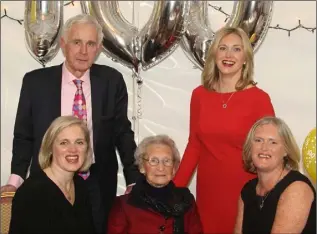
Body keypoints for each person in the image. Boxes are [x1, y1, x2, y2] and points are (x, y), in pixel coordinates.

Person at [1, 14, 140, 233]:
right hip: (49, 179)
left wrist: (133, 178)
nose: (83, 51)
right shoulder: (36, 82)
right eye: (77, 42)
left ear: (99, 48)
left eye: (91, 44)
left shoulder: (112, 81)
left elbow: (122, 133)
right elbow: (24, 135)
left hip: (97, 181)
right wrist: (16, 179)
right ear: (64, 44)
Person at [173, 27, 275, 233]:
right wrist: (175, 189)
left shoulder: (259, 99)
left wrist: (270, 193)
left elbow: (272, 150)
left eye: (236, 49)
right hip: (209, 192)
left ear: (245, 58)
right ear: (214, 55)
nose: (228, 55)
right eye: (223, 48)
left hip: (246, 191)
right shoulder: (199, 95)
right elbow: (194, 144)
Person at [9, 116, 95, 234]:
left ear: (87, 148)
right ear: (50, 148)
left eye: (79, 142)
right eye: (64, 143)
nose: (73, 150)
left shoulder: (81, 186)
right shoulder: (32, 192)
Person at [234, 116, 316, 233]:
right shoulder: (248, 190)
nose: (264, 148)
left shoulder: (297, 188)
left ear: (286, 151)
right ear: (250, 147)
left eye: (273, 142)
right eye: (258, 140)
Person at [108, 135, 203, 234]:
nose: (161, 168)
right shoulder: (123, 205)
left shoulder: (186, 200)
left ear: (174, 168)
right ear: (141, 167)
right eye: (153, 161)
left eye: (167, 161)